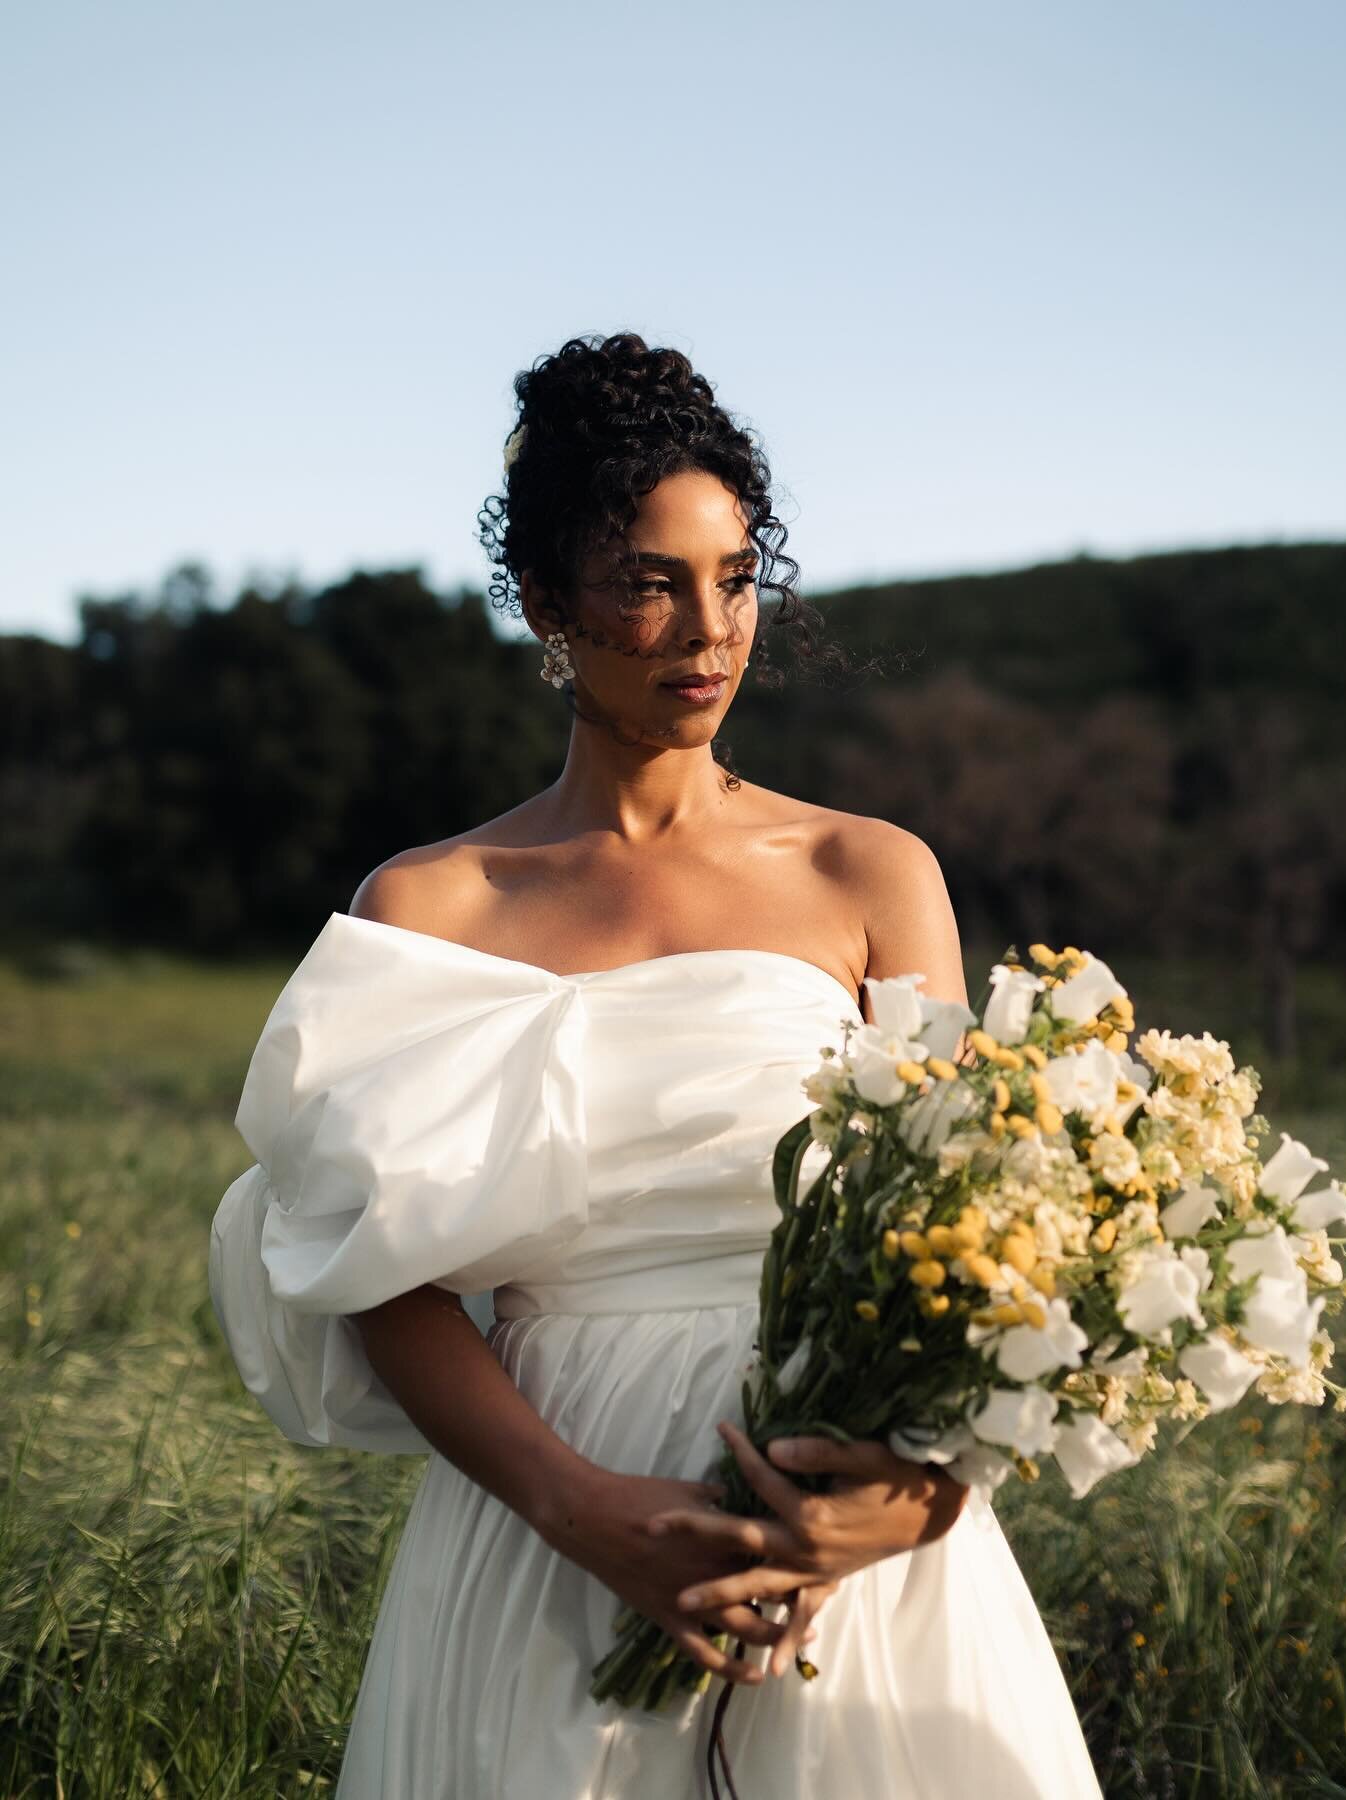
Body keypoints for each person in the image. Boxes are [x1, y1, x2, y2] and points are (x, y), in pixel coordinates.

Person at [209, 331, 1105, 1797]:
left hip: (842, 1542)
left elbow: (980, 1226)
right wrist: (583, 1513)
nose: (711, 630)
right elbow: (370, 1271)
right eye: (650, 582)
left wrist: (920, 1499)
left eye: (738, 577)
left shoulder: (868, 872)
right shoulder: (428, 909)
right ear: (550, 605)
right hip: (544, 1541)